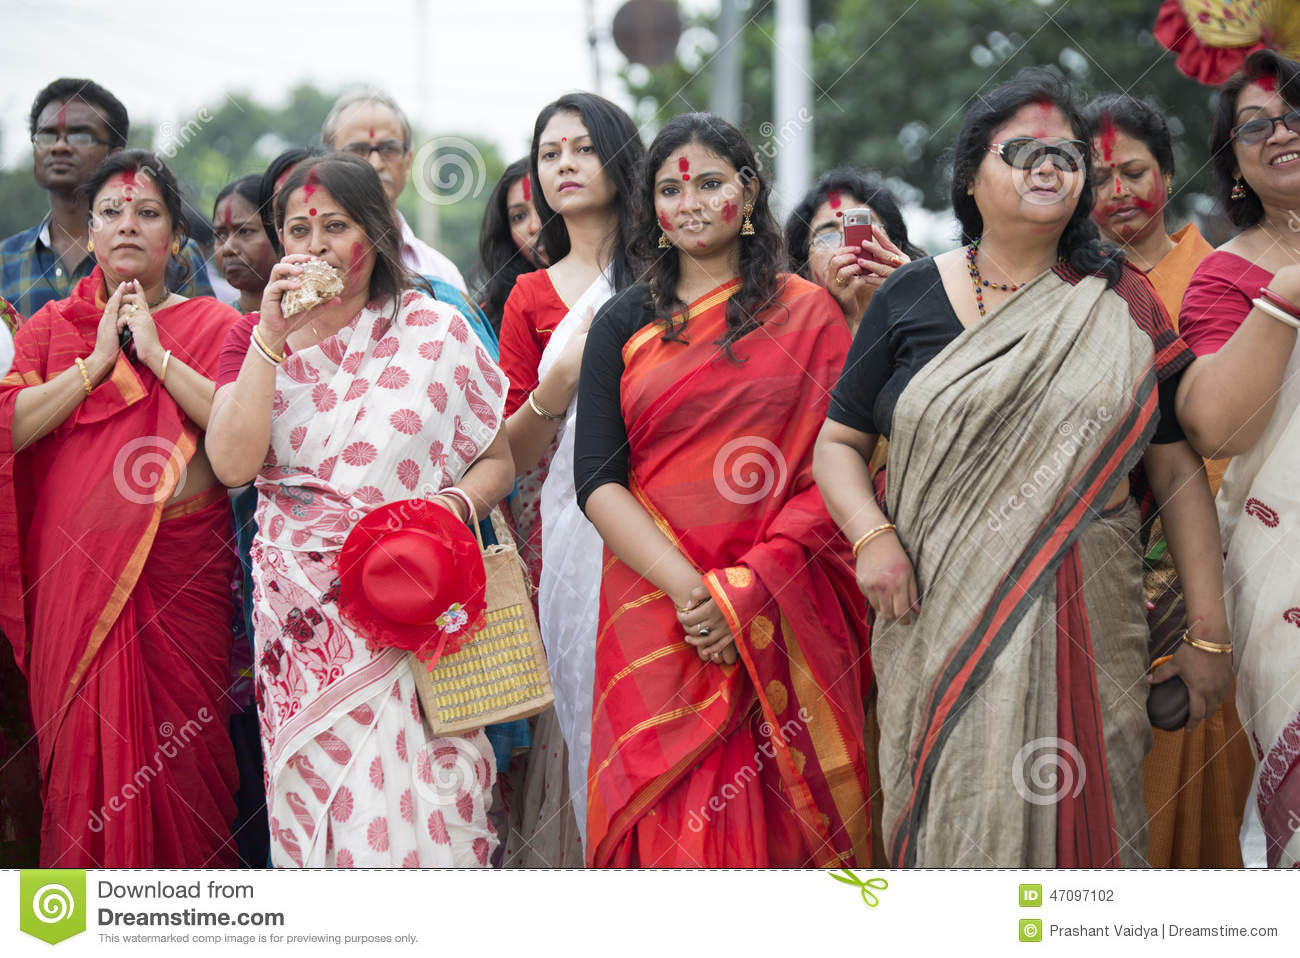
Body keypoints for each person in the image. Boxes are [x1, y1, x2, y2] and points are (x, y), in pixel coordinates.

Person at [813, 69, 1233, 868]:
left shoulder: (1122, 304)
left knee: (1083, 843)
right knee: (953, 826)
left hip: (1086, 622)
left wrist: (1209, 636)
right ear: (971, 177)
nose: (1049, 167)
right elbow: (836, 443)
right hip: (935, 615)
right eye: (1023, 151)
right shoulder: (909, 297)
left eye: (1066, 154)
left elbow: (1176, 470)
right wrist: (871, 536)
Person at [575, 112, 872, 868]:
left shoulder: (809, 313)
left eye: (711, 183)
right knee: (670, 819)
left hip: (783, 601)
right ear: (652, 209)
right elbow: (598, 481)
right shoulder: (622, 321)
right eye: (671, 190)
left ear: (750, 190)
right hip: (658, 609)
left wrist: (748, 591)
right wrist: (694, 596)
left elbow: (838, 470)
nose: (692, 202)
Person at [205, 152, 514, 868]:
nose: (312, 245)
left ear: (374, 236)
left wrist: (444, 510)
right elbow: (232, 466)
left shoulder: (435, 329)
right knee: (322, 809)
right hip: (303, 622)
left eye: (333, 226)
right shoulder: (252, 340)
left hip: (416, 602)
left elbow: (496, 460)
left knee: (434, 805)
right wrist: (272, 337)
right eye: (296, 228)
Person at [0, 150, 241, 867]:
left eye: (147, 212)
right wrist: (94, 366)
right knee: (82, 769)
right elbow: (9, 427)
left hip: (181, 576)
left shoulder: (215, 325)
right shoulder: (50, 328)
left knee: (187, 771)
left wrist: (158, 356)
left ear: (175, 237)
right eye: (110, 212)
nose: (127, 225)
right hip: (75, 588)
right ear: (90, 232)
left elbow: (237, 441)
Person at [1082, 92, 1255, 869]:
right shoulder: (1069, 292)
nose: (1117, 192)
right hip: (1103, 580)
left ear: (1170, 171)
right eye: (1098, 176)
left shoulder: (1223, 274)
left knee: (1212, 782)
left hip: (1231, 560)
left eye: (1133, 171)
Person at [496, 93, 644, 866]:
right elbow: (510, 453)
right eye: (550, 154)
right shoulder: (529, 297)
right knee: (581, 711)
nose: (564, 166)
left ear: (619, 157)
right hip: (569, 536)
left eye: (582, 148)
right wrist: (558, 382)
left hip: (675, 522)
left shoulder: (674, 273)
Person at [1175, 50, 1300, 869]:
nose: (1281, 131)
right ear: (1236, 165)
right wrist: (1286, 292)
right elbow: (1219, 427)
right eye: (1256, 125)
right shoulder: (1226, 277)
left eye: (1296, 114)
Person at [0, 78, 212, 320]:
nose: (59, 147)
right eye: (47, 136)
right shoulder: (5, 260)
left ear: (116, 155)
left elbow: (205, 343)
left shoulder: (175, 253)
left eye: (80, 136)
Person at [320, 88, 466, 292]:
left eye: (389, 149)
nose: (375, 163)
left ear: (408, 162)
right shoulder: (310, 265)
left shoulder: (441, 274)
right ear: (326, 161)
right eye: (358, 150)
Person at [784, 169, 924, 333]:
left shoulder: (925, 310)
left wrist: (910, 295)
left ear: (896, 247)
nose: (847, 245)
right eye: (827, 236)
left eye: (862, 228)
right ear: (804, 270)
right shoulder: (790, 336)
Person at [475, 158, 545, 334]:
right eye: (519, 216)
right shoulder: (489, 319)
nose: (534, 227)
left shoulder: (612, 284)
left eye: (544, 206)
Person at [213, 175, 277, 314]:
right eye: (220, 235)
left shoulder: (313, 320)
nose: (228, 248)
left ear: (280, 234)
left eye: (245, 231)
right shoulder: (213, 324)